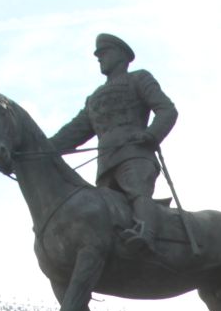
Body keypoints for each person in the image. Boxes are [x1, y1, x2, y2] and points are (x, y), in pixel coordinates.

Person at [46, 33, 177, 252]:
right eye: (99, 55)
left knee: (137, 192)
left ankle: (147, 235)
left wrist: (152, 135)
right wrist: (41, 149)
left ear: (121, 56)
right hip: (106, 165)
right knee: (105, 214)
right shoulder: (95, 98)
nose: (100, 58)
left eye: (105, 53)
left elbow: (167, 110)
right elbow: (74, 132)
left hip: (135, 155)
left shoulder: (139, 79)